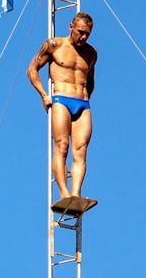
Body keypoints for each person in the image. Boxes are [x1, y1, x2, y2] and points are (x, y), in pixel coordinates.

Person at [27, 12, 98, 200]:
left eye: (87, 34)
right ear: (71, 27)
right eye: (80, 32)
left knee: (81, 150)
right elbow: (32, 70)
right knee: (62, 145)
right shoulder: (54, 45)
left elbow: (90, 80)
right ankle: (64, 193)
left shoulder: (91, 53)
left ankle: (75, 194)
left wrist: (86, 96)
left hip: (82, 103)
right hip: (61, 99)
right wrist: (44, 95)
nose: (83, 37)